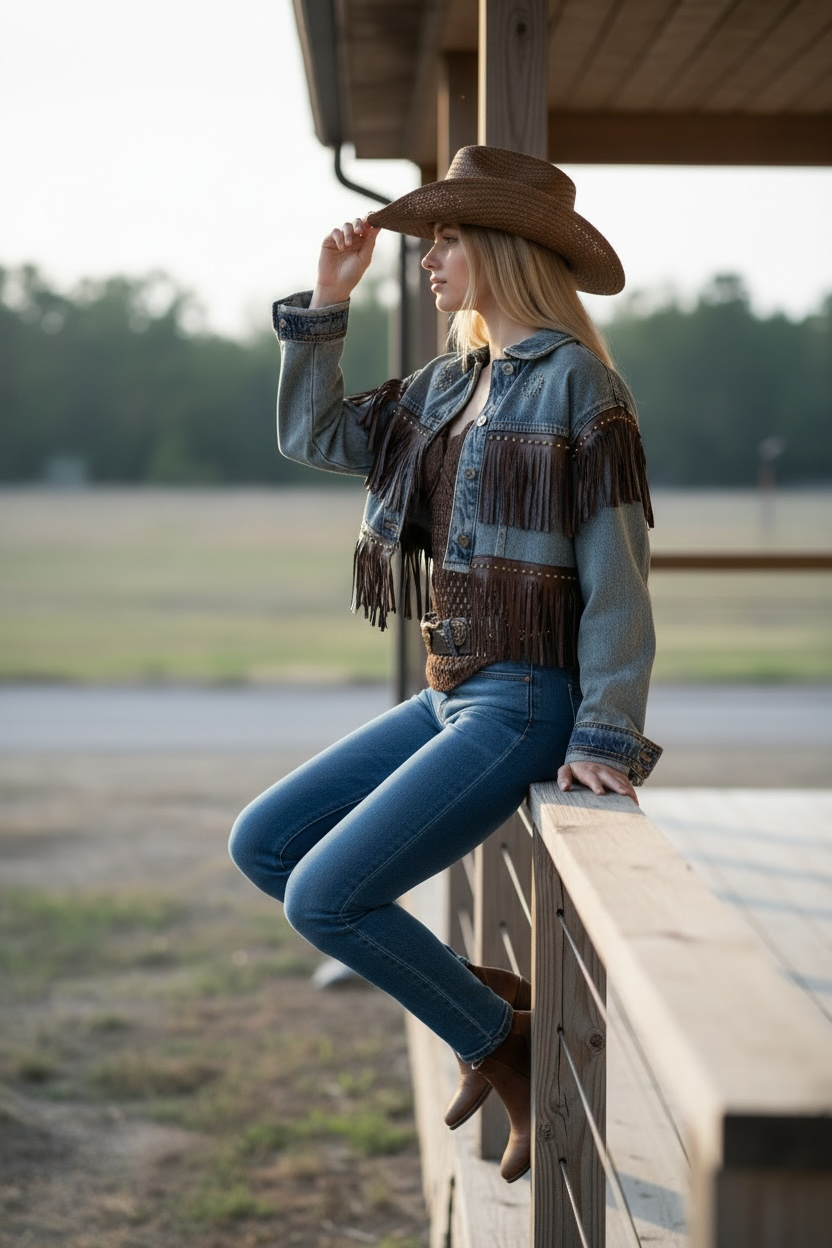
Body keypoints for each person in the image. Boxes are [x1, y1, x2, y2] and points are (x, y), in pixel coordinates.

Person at [229, 146, 661, 1183]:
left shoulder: (578, 386)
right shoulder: (447, 382)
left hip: (523, 701)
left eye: (446, 237)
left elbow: (617, 574)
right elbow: (319, 434)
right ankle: (493, 1013)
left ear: (502, 247)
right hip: (452, 689)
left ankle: (498, 1037)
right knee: (266, 846)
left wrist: (605, 732)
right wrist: (326, 305)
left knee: (325, 899)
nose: (426, 257)